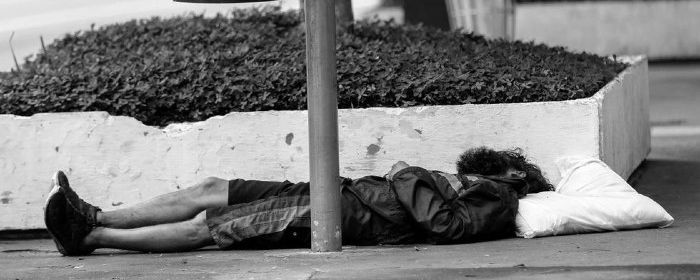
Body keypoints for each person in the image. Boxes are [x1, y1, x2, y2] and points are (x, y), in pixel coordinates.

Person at [44, 147, 553, 256]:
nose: (465, 177)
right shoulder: (484, 188)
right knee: (211, 189)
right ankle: (93, 215)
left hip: (343, 212)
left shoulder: (502, 194)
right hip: (335, 192)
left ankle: (89, 235)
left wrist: (408, 174)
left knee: (212, 225)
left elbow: (443, 226)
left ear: (514, 174)